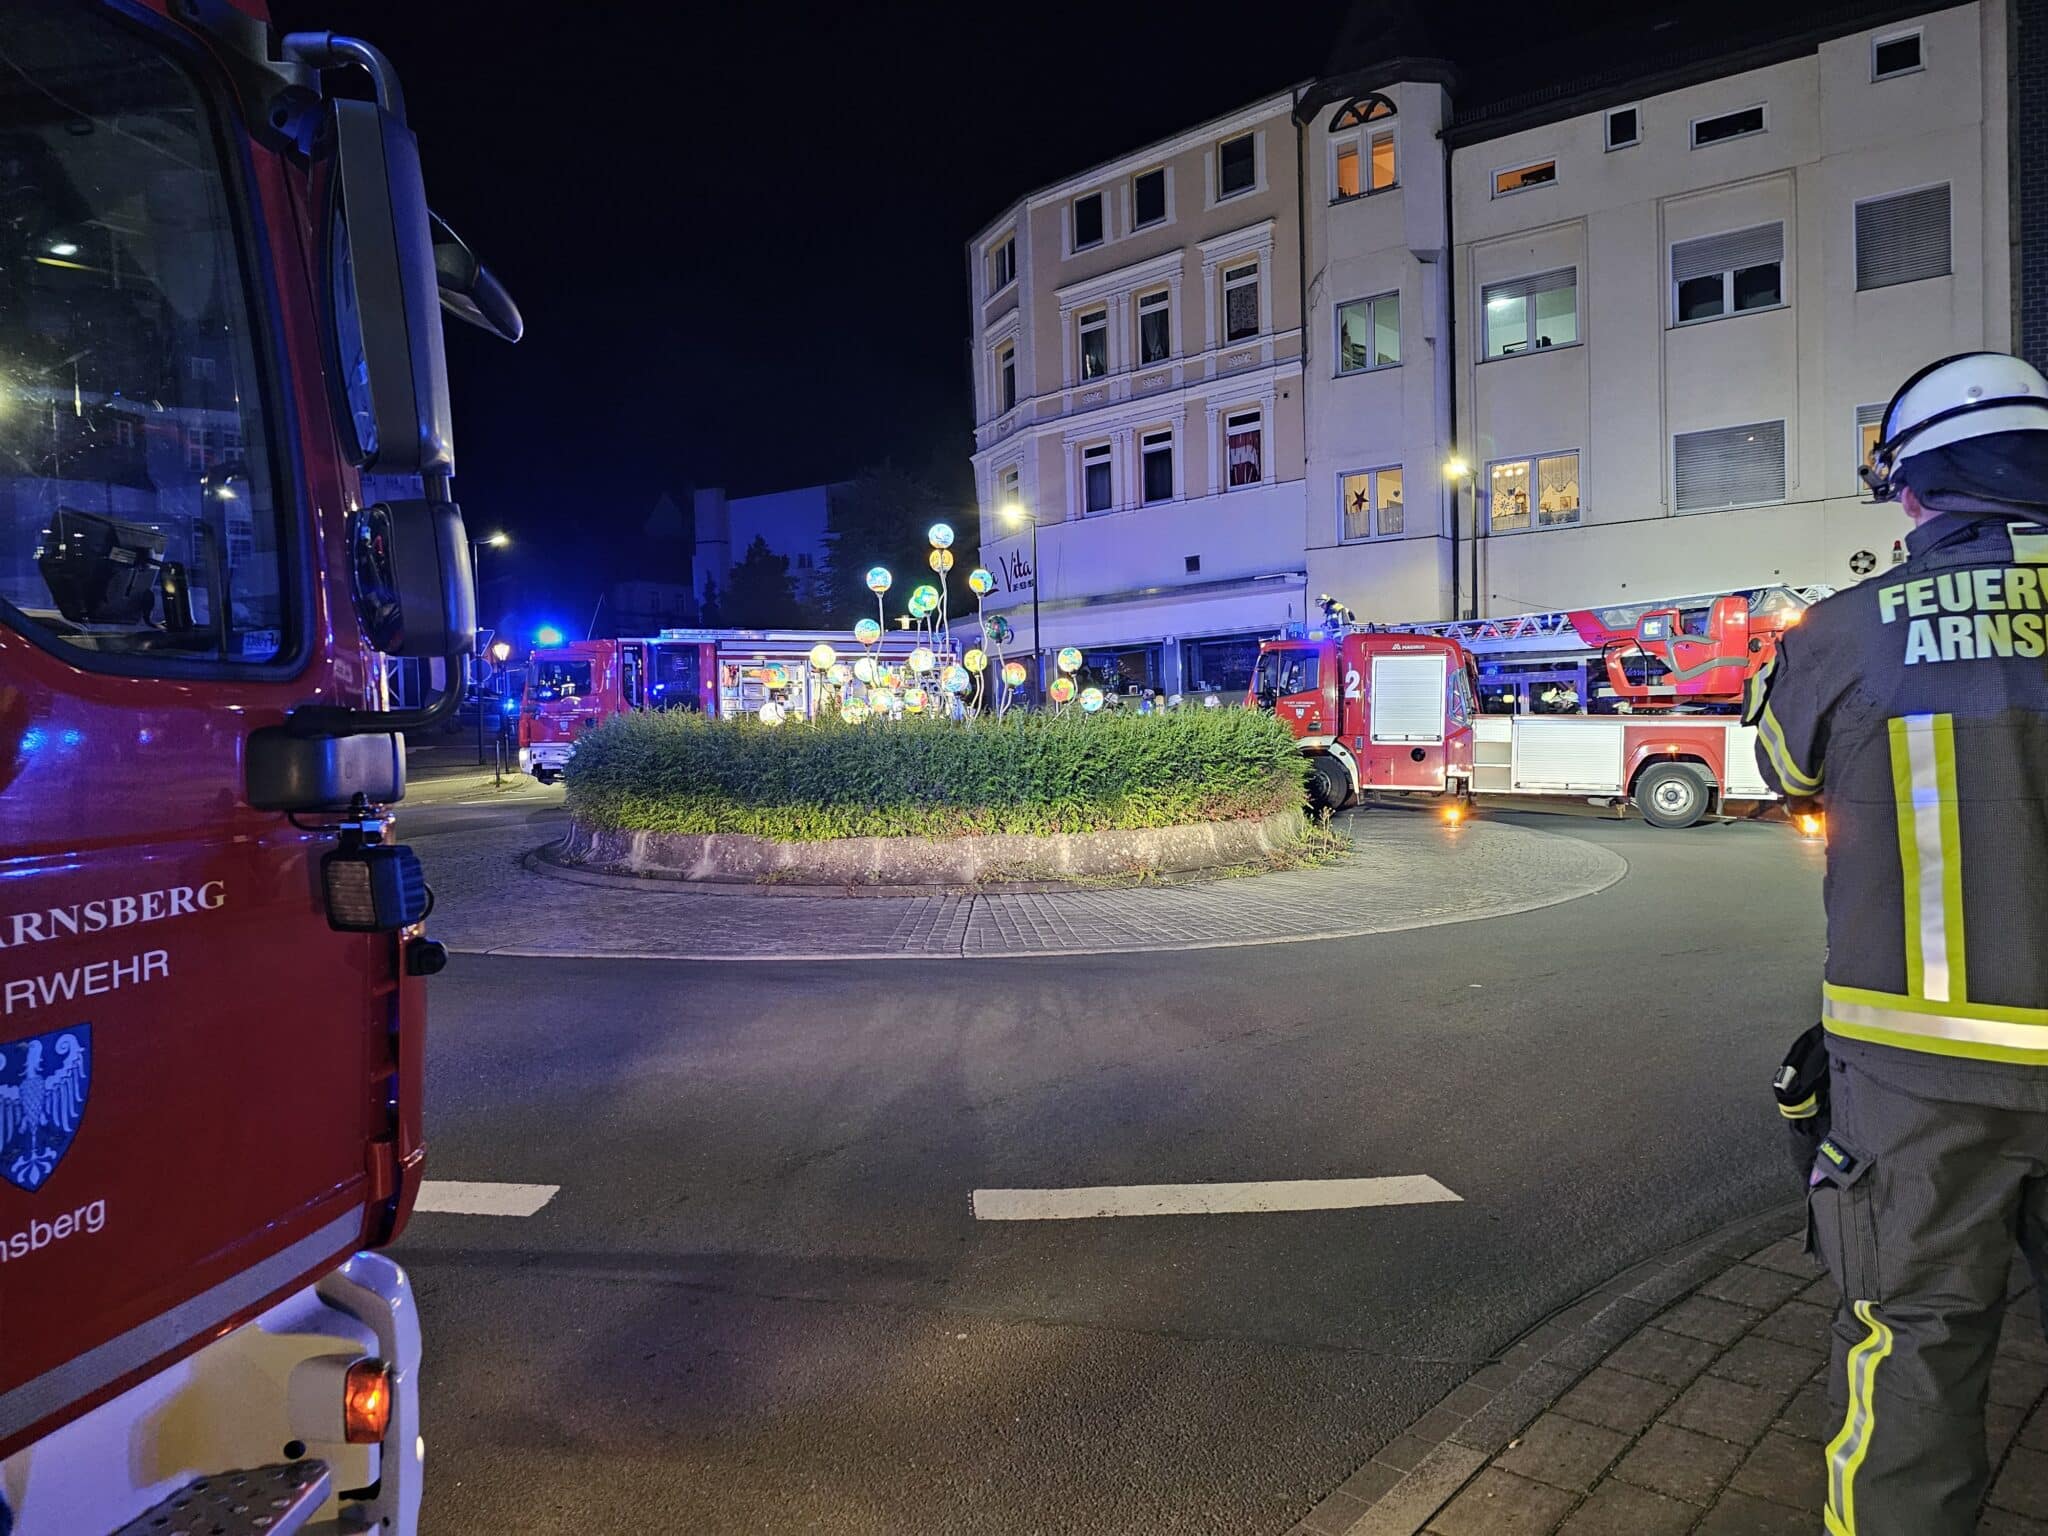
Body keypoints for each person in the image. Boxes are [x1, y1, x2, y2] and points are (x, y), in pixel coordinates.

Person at [1748, 351, 2048, 1535]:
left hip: (1920, 1084)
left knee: (1912, 1341)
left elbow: (1781, 768)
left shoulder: (1845, 631)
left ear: (1910, 489)